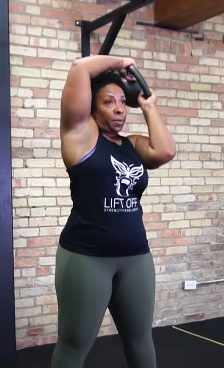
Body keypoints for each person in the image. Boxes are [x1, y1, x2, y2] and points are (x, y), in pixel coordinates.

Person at [51, 55, 177, 368]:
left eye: (123, 102)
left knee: (140, 340)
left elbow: (165, 151)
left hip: (136, 257)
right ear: (92, 109)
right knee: (73, 346)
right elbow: (80, 68)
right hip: (87, 258)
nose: (120, 109)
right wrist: (122, 63)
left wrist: (147, 105)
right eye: (109, 102)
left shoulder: (131, 145)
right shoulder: (79, 136)